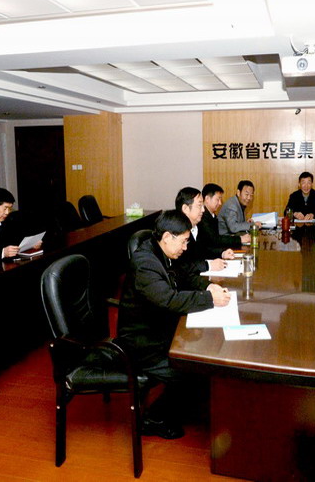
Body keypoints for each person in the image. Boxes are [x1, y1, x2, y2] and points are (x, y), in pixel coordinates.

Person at [117, 210, 231, 439]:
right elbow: (169, 299)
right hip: (142, 343)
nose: (185, 248)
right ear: (168, 237)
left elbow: (184, 275)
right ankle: (152, 418)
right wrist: (209, 299)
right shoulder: (145, 263)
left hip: (158, 327)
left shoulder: (161, 250)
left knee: (201, 357)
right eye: (184, 241)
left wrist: (207, 286)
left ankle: (185, 404)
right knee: (191, 367)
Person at [174, 187, 230, 273]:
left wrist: (222, 253)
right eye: (199, 206)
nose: (203, 210)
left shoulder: (196, 226)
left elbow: (203, 249)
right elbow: (181, 265)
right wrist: (209, 265)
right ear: (185, 209)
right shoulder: (176, 232)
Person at [198, 183, 250, 258]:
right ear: (207, 199)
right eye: (217, 199)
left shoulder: (212, 215)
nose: (220, 203)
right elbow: (215, 240)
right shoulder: (202, 217)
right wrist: (240, 239)